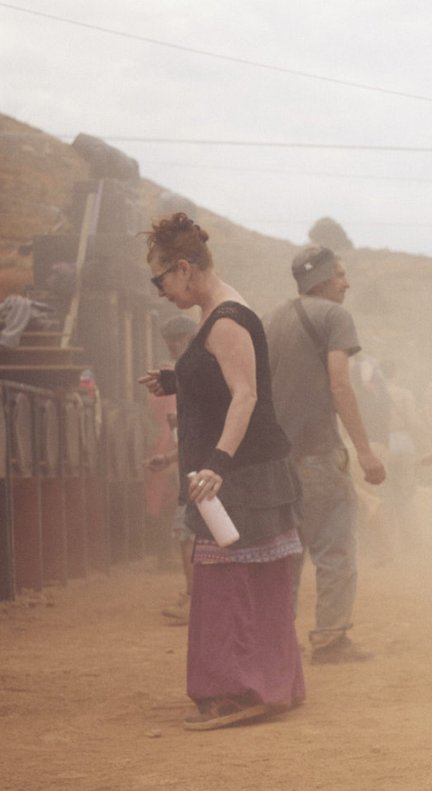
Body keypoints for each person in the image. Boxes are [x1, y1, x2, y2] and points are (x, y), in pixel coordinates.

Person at [139, 213, 304, 731]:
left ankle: (243, 691)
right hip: (244, 475)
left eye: (160, 280)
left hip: (242, 478)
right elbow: (222, 376)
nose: (161, 291)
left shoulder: (227, 318)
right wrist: (177, 380)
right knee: (244, 583)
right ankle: (265, 683)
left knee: (235, 586)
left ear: (184, 268)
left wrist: (217, 463)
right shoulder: (216, 313)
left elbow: (246, 394)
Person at [264, 246, 386, 664]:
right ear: (320, 279)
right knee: (335, 549)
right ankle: (331, 640)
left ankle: (278, 643)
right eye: (340, 275)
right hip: (318, 454)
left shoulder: (270, 320)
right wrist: (365, 452)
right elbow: (339, 386)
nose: (346, 283)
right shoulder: (334, 317)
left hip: (276, 461)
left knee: (286, 553)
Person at [144, 314, 199, 625]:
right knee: (189, 534)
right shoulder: (192, 373)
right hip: (194, 469)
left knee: (187, 534)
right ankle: (196, 598)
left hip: (199, 473)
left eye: (174, 342)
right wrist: (166, 460)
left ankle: (195, 600)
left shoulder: (194, 373)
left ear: (185, 339)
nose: (172, 348)